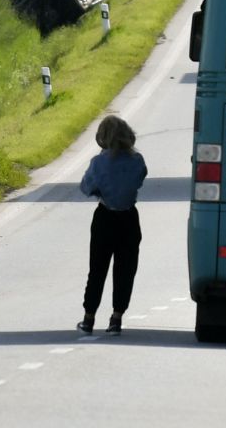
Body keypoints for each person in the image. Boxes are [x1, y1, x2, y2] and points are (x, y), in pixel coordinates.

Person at [79, 115, 147, 335]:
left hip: (105, 217)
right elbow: (138, 181)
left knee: (97, 268)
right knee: (125, 269)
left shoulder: (99, 163)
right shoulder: (137, 161)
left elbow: (86, 188)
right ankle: (117, 317)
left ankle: (89, 317)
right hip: (129, 218)